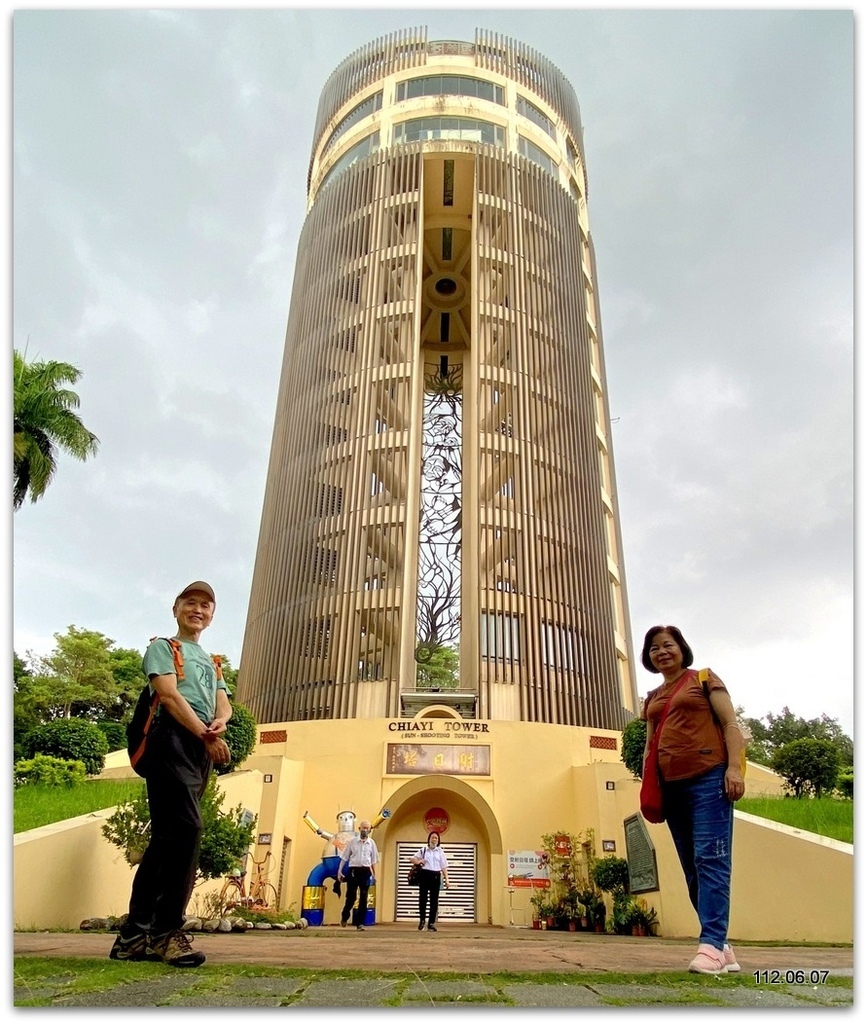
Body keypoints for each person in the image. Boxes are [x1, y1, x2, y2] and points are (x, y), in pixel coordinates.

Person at [110, 581, 232, 968]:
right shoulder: (163, 647)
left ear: (211, 617)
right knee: (188, 829)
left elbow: (223, 703)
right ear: (177, 609)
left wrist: (220, 725)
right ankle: (166, 933)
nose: (198, 610)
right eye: (191, 603)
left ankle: (133, 936)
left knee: (167, 840)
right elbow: (168, 695)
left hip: (201, 746)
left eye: (206, 606)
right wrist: (204, 733)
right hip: (173, 739)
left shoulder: (212, 661)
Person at [640, 624, 745, 976]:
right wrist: (648, 782)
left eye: (667, 645)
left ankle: (711, 945)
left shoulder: (703, 678)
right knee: (691, 867)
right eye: (654, 648)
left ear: (681, 648)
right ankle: (722, 946)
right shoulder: (652, 697)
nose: (661, 652)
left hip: (708, 779)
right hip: (671, 787)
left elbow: (730, 725)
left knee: (711, 859)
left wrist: (734, 769)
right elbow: (650, 744)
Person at [337, 818, 378, 930]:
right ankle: (345, 915)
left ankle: (360, 923)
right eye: (363, 828)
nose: (365, 830)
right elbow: (344, 857)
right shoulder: (352, 842)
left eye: (367, 828)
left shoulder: (372, 843)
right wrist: (339, 871)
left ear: (370, 830)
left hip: (365, 871)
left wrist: (374, 875)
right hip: (354, 870)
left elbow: (373, 860)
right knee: (351, 897)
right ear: (359, 829)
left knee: (364, 898)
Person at [412, 831, 449, 931]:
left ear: (438, 840)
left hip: (436, 876)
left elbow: (444, 866)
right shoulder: (423, 850)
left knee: (434, 901)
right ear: (429, 839)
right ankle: (422, 920)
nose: (434, 839)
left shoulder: (440, 852)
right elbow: (412, 859)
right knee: (423, 899)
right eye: (432, 837)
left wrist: (447, 879)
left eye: (436, 838)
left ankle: (431, 923)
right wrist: (419, 861)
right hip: (424, 875)